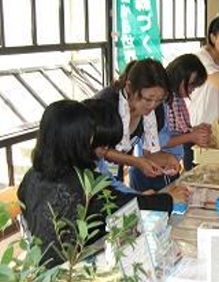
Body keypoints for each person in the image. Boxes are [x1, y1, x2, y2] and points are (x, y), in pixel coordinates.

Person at [17, 100, 188, 268]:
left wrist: (144, 198)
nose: (92, 140)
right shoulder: (83, 182)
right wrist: (168, 199)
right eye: (89, 135)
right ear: (77, 140)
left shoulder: (31, 176)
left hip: (38, 270)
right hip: (72, 272)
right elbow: (124, 207)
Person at [94, 58, 180, 190]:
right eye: (148, 99)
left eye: (159, 100)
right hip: (89, 173)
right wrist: (136, 162)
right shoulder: (106, 104)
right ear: (129, 87)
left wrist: (168, 159)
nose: (153, 105)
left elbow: (149, 153)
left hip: (113, 173)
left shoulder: (155, 111)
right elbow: (98, 149)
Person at [130, 54, 210, 189]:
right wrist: (191, 136)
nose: (191, 91)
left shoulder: (175, 101)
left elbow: (173, 132)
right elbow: (158, 142)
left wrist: (194, 131)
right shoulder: (162, 103)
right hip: (152, 169)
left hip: (166, 167)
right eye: (190, 86)